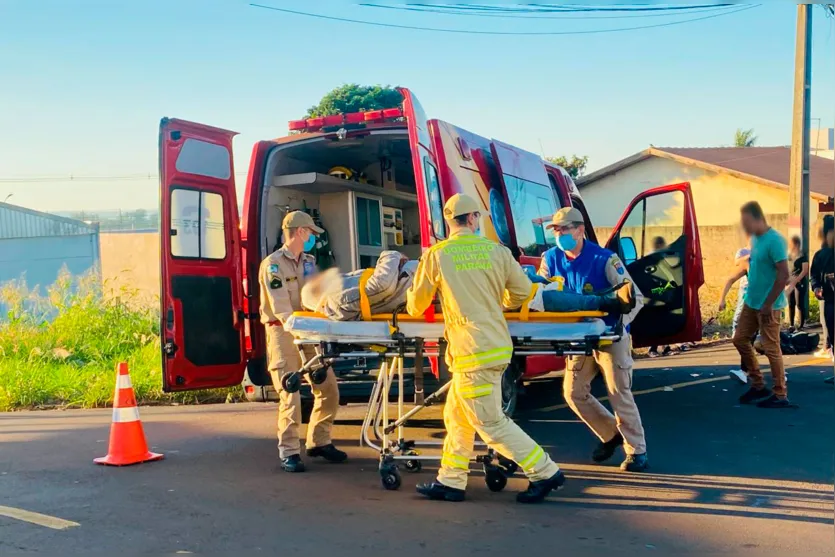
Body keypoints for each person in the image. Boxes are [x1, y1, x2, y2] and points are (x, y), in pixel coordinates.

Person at [406, 193, 565, 504]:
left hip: (469, 351)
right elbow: (520, 294)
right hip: (493, 344)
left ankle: (545, 472)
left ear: (449, 223)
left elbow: (416, 306)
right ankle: (451, 480)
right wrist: (494, 301)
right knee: (457, 417)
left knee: (489, 424)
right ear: (474, 219)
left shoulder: (438, 255)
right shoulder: (496, 251)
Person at [538, 207, 648, 472]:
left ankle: (637, 451)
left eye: (564, 229)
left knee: (617, 393)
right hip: (578, 336)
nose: (559, 234)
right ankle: (611, 434)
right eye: (555, 230)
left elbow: (636, 298)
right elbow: (539, 293)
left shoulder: (604, 259)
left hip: (611, 334)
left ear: (579, 230)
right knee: (573, 393)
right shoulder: (551, 259)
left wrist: (618, 326)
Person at [259, 211, 346, 473]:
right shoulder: (273, 265)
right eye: (310, 233)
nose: (312, 239)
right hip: (283, 332)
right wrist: (303, 327)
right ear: (300, 232)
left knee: (328, 388)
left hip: (308, 330)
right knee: (290, 392)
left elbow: (316, 295)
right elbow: (282, 307)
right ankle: (289, 451)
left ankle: (319, 441)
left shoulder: (308, 262)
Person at [733, 201, 791, 408]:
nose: (745, 226)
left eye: (747, 222)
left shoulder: (775, 240)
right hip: (752, 302)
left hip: (770, 305)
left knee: (771, 347)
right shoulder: (756, 240)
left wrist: (768, 303)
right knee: (740, 339)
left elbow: (784, 274)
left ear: (758, 218)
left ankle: (780, 393)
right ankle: (758, 384)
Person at [718, 238, 753, 385]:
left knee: (768, 341)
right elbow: (731, 277)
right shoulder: (746, 256)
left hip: (764, 303)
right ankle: (747, 371)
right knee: (742, 335)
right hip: (748, 297)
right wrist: (722, 299)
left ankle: (778, 375)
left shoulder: (768, 258)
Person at [810, 216, 834, 365]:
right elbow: (814, 275)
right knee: (832, 332)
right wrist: (817, 287)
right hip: (830, 300)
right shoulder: (821, 255)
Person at [647, 237, 675, 359]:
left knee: (663, 321)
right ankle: (653, 348)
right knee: (656, 321)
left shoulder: (662, 257)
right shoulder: (652, 258)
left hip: (663, 292)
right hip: (655, 293)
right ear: (659, 245)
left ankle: (665, 347)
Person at [786, 236, 810, 330]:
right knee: (791, 302)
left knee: (799, 303)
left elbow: (805, 270)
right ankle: (791, 324)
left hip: (800, 282)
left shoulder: (803, 256)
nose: (789, 245)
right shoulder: (789, 256)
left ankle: (801, 324)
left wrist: (796, 279)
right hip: (790, 281)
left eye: (791, 243)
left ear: (796, 244)